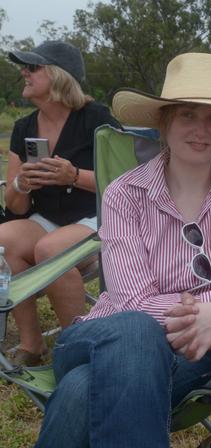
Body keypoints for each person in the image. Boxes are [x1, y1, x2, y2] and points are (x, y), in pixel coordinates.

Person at [12, 52, 211, 448]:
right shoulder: (125, 194)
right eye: (187, 115)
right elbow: (133, 303)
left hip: (207, 354)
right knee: (133, 330)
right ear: (164, 124)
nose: (200, 129)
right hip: (100, 334)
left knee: (79, 392)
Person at [0, 40, 120, 366]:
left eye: (33, 67)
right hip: (48, 218)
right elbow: (16, 207)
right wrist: (20, 184)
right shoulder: (24, 128)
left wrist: (74, 176)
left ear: (57, 75)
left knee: (50, 250)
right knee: (3, 242)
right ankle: (32, 344)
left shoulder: (97, 119)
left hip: (95, 217)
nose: (24, 72)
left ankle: (80, 351)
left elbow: (125, 183)